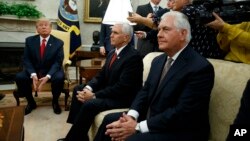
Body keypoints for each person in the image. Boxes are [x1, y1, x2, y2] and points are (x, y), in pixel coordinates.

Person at [94, 11, 215, 141]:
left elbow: (182, 112)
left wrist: (138, 127)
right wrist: (131, 116)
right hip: (154, 118)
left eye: (166, 29)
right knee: (110, 122)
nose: (159, 34)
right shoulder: (158, 61)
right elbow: (144, 92)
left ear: (183, 34)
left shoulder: (200, 67)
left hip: (181, 130)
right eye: (158, 30)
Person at [57, 22, 144, 141]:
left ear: (126, 38)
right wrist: (88, 89)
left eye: (115, 33)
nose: (110, 36)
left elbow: (122, 87)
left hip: (123, 98)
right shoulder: (113, 52)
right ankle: (79, 134)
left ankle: (73, 138)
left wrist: (94, 96)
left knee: (90, 104)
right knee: (79, 89)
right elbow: (101, 76)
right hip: (110, 91)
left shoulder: (133, 57)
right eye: (111, 32)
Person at [128, 0, 225, 59]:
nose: (171, 2)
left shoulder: (191, 10)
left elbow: (157, 23)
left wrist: (140, 19)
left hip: (201, 58)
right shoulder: (199, 9)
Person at [15, 18, 64, 115]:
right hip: (34, 70)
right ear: (37, 29)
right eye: (40, 25)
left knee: (59, 77)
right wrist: (32, 74)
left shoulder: (58, 42)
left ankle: (55, 102)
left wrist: (48, 76)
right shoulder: (29, 41)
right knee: (20, 77)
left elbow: (58, 62)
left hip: (51, 70)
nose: (44, 27)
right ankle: (31, 102)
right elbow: (26, 59)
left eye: (46, 25)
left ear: (51, 28)